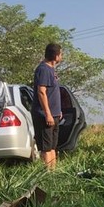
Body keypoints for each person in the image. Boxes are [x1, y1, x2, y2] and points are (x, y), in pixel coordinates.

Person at [32, 42, 64, 170]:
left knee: (52, 146)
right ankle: (47, 174)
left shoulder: (51, 70)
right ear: (56, 56)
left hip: (55, 114)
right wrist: (48, 113)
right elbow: (41, 92)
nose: (61, 56)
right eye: (61, 54)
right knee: (46, 147)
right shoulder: (43, 69)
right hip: (45, 115)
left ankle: (53, 174)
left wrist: (58, 111)